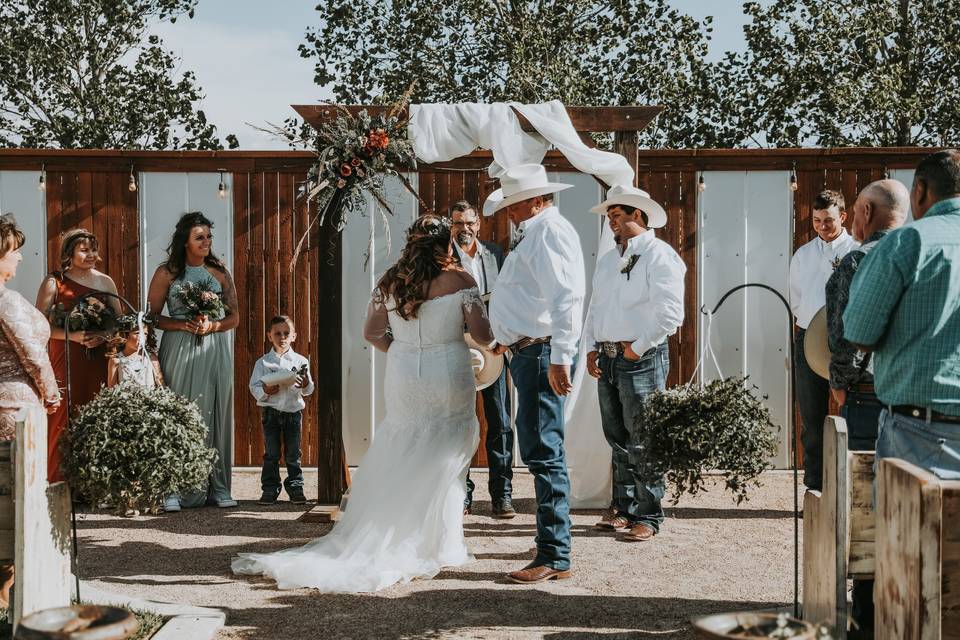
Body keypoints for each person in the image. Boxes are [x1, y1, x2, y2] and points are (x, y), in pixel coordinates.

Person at [233, 215, 494, 592]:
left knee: (404, 444)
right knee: (446, 450)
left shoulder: (389, 282)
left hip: (403, 374)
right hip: (449, 372)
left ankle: (399, 533)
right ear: (445, 244)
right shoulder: (462, 280)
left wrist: (405, 351)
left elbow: (372, 333)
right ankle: (438, 543)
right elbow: (483, 334)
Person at [487, 164, 585, 584]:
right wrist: (506, 337)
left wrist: (562, 356)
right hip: (528, 351)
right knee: (539, 447)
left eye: (512, 203)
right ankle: (551, 541)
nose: (507, 211)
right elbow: (531, 298)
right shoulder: (537, 230)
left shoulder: (549, 232)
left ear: (536, 199)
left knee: (544, 450)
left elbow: (566, 297)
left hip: (543, 354)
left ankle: (555, 554)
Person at [823, 179, 909, 637]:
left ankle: (868, 618)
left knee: (866, 509)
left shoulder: (858, 260)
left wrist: (839, 386)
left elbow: (843, 336)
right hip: (924, 398)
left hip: (870, 394)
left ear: (864, 213)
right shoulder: (930, 255)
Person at [845, 149, 960, 475]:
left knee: (910, 526)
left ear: (920, 190)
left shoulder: (908, 242)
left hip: (920, 430)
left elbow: (859, 334)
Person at [583, 185, 685, 542]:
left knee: (643, 437)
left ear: (637, 215)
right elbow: (597, 305)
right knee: (617, 437)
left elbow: (671, 313)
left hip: (640, 357)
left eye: (616, 216)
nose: (611, 222)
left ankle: (650, 513)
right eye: (609, 217)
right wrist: (591, 347)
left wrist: (637, 347)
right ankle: (623, 507)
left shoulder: (660, 255)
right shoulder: (610, 259)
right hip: (609, 355)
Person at [147, 212, 239, 510]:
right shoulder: (167, 273)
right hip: (179, 347)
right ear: (185, 241)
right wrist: (181, 325)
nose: (206, 242)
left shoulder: (220, 272)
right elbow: (151, 317)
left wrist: (212, 326)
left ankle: (218, 487)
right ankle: (172, 488)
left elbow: (234, 317)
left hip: (213, 347)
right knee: (179, 412)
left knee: (215, 412)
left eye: (209, 237)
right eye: (200, 237)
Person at [0, 214, 61, 608]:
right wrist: (52, 394)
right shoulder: (3, 300)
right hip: (13, 407)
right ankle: (9, 596)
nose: (19, 259)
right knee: (17, 499)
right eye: (14, 252)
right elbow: (34, 355)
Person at [36, 229, 121, 483]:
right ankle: (59, 481)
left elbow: (119, 322)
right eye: (84, 250)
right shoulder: (54, 282)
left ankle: (93, 483)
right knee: (64, 413)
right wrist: (71, 336)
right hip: (66, 355)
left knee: (95, 411)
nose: (91, 255)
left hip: (98, 358)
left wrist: (105, 337)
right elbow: (38, 325)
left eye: (93, 249)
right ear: (69, 254)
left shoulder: (106, 282)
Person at [788, 190, 858, 491]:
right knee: (812, 417)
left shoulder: (856, 250)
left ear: (843, 216)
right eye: (816, 220)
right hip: (807, 338)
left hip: (847, 341)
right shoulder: (803, 255)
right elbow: (796, 299)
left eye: (828, 220)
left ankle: (849, 485)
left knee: (851, 410)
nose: (822, 226)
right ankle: (815, 485)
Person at [449, 199, 514, 519]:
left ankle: (502, 494)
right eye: (458, 223)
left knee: (500, 420)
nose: (464, 229)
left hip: (492, 349)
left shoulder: (496, 254)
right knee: (460, 422)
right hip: (455, 348)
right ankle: (462, 492)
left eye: (469, 223)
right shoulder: (442, 258)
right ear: (451, 226)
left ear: (479, 225)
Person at [249, 315, 314, 506]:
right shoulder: (263, 363)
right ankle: (269, 490)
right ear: (270, 336)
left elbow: (309, 389)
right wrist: (265, 392)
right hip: (271, 414)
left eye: (287, 333)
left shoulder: (301, 361)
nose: (282, 337)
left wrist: (305, 384)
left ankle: (296, 488)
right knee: (272, 454)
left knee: (293, 454)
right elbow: (254, 386)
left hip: (293, 413)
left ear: (294, 336)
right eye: (277, 333)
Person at [107, 316, 164, 389]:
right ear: (125, 335)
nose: (142, 337)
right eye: (137, 333)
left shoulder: (151, 358)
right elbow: (111, 391)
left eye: (145, 334)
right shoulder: (116, 360)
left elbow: (162, 386)